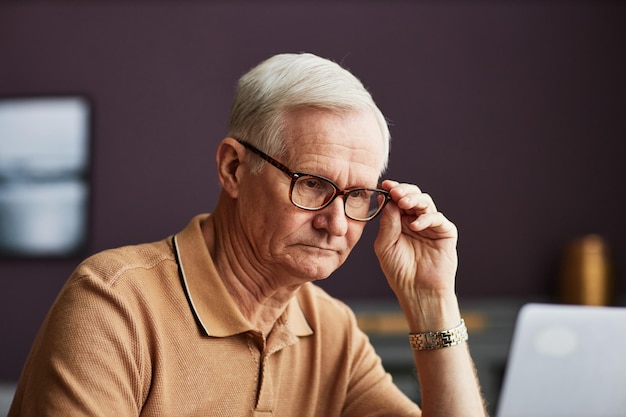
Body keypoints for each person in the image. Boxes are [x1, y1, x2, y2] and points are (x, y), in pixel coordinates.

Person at [9, 52, 486, 416]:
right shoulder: (114, 303)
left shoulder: (332, 330)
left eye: (358, 195)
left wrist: (431, 301)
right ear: (234, 169)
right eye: (313, 184)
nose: (336, 223)